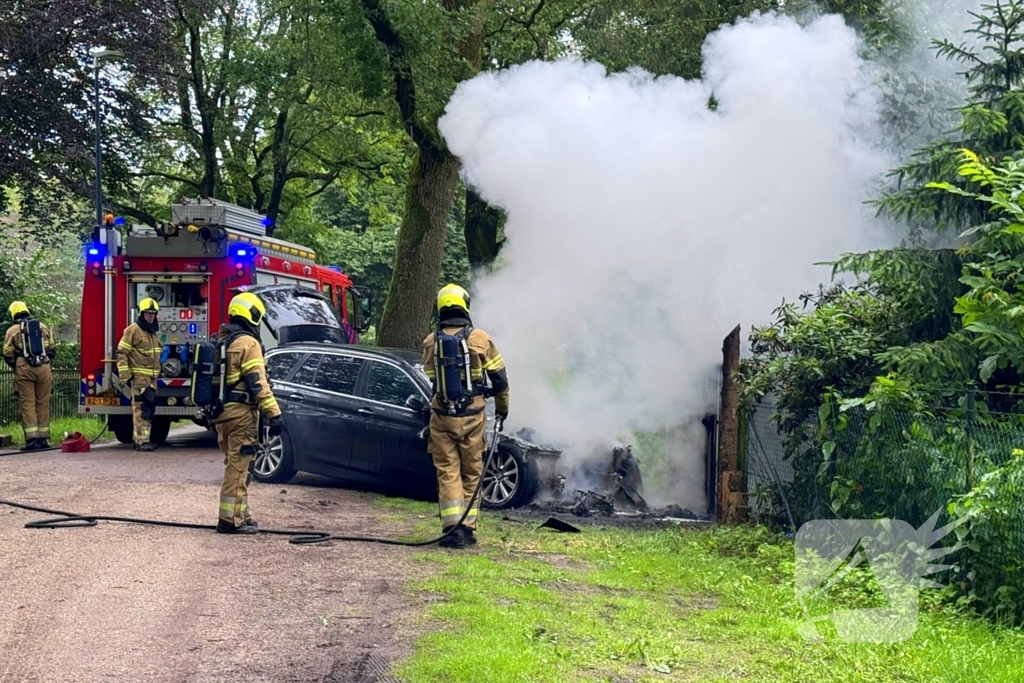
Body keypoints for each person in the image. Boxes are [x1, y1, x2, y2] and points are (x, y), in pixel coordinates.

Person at [421, 283, 509, 549]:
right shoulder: (480, 338)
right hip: (473, 416)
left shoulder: (430, 341)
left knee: (447, 471)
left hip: (442, 417)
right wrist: (503, 409)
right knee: (472, 471)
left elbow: (431, 378)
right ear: (464, 305)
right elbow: (500, 380)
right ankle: (468, 529)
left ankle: (451, 529)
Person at [214, 292, 285, 535]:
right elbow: (258, 383)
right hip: (242, 415)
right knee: (238, 468)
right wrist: (274, 414)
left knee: (237, 465)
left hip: (222, 415)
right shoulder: (248, 344)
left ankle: (242, 515)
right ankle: (229, 520)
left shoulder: (221, 341)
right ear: (252, 315)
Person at [2, 302, 56, 451]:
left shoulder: (12, 331)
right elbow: (52, 350)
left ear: (13, 313)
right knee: (42, 403)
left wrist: (18, 366)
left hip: (24, 369)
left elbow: (7, 354)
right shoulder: (43, 327)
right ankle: (43, 439)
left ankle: (32, 441)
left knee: (28, 404)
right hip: (44, 368)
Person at [117, 298, 163, 451]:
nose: (151, 316)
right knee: (141, 410)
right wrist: (125, 376)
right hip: (139, 379)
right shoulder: (133, 330)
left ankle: (144, 439)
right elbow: (122, 353)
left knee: (148, 411)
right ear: (142, 314)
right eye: (148, 313)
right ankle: (141, 441)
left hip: (152, 379)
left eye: (153, 313)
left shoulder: (152, 332)